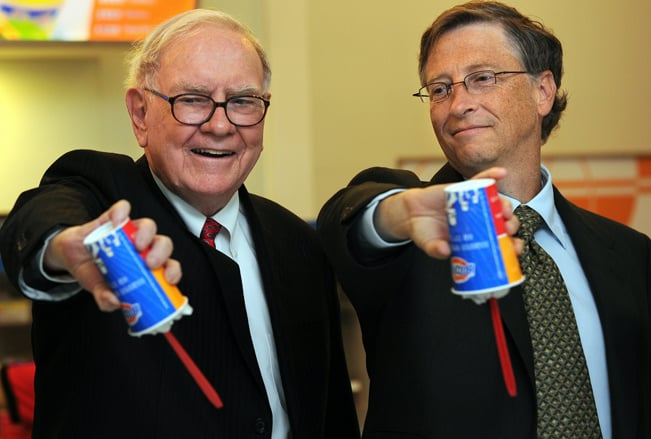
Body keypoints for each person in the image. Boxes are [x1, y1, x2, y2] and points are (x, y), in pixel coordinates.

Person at [0, 9, 360, 439]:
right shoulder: (97, 196)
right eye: (192, 100)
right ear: (139, 114)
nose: (221, 125)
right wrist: (68, 246)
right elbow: (43, 219)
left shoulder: (298, 241)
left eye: (243, 101)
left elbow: (331, 407)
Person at [317, 1, 650, 438]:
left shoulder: (632, 255)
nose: (458, 104)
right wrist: (393, 216)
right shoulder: (415, 232)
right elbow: (349, 226)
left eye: (482, 78)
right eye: (439, 89)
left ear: (542, 91)